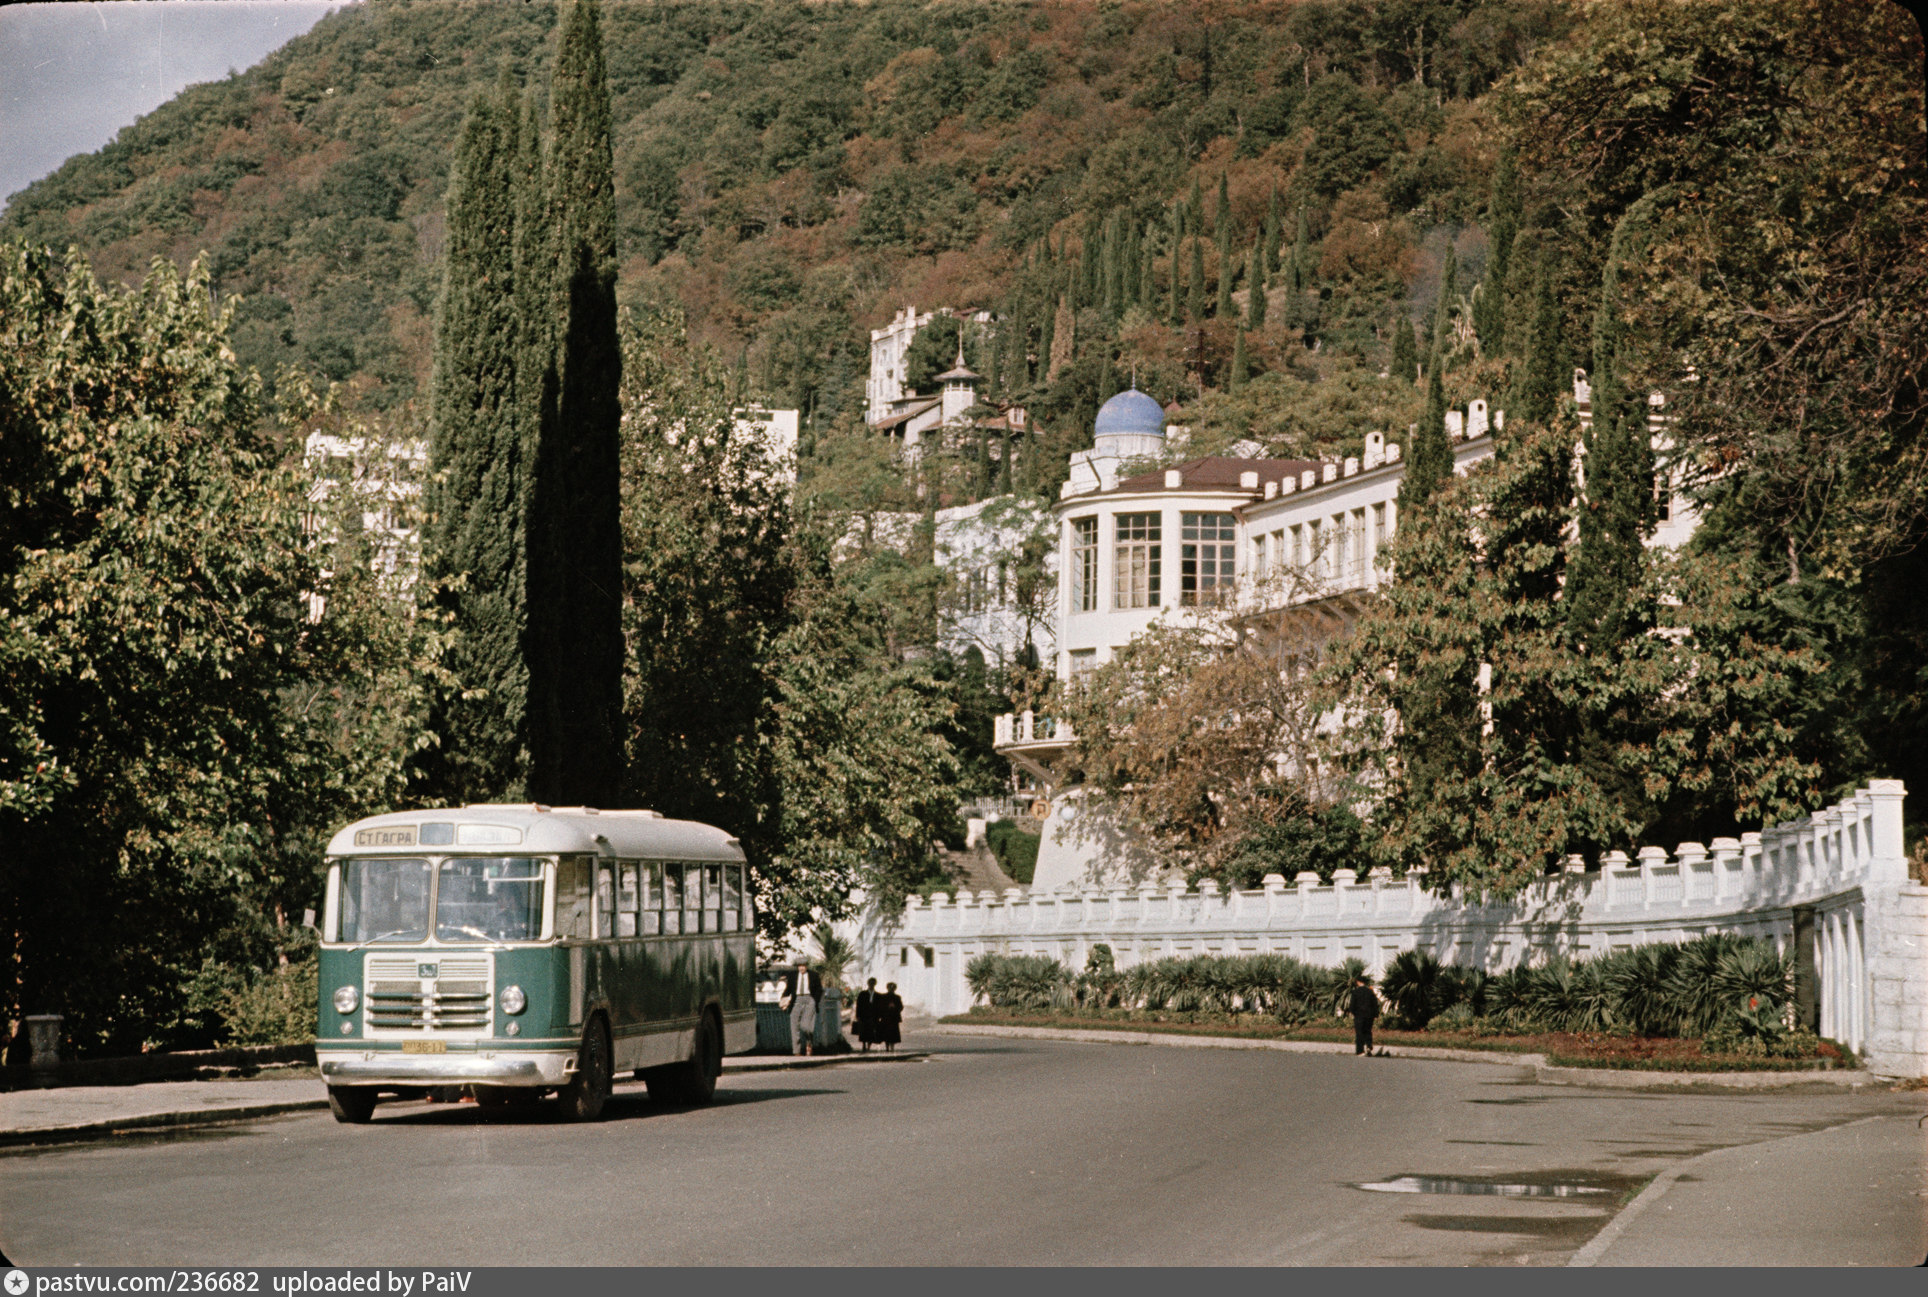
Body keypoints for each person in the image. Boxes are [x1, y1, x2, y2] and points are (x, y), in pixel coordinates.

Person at [781, 961, 822, 1056]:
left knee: (806, 1026)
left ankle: (809, 1042)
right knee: (794, 1025)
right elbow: (788, 989)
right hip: (797, 1000)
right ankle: (796, 1051)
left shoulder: (814, 975)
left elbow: (819, 989)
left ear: (807, 966)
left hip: (809, 1000)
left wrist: (815, 1000)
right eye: (800, 966)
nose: (802, 968)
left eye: (803, 966)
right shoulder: (792, 975)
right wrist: (783, 1001)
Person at [1349, 974, 1380, 1056]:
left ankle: (1360, 1051)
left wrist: (1353, 1012)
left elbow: (1352, 1005)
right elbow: (1375, 1004)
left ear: (1358, 982)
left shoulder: (1355, 992)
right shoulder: (1370, 992)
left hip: (1359, 1015)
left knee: (1359, 1033)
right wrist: (1375, 1014)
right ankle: (1369, 1046)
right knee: (1368, 1031)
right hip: (1369, 1016)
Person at [854, 977, 880, 1052]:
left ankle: (869, 1046)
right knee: (863, 1031)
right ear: (868, 984)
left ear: (875, 984)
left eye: (873, 983)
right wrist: (858, 1016)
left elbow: (878, 1007)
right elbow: (858, 1005)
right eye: (870, 983)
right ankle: (864, 1045)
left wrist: (878, 1016)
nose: (871, 985)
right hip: (864, 1015)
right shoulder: (862, 994)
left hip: (873, 1016)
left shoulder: (877, 995)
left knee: (871, 1031)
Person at [879, 981, 904, 1053]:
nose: (891, 989)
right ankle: (887, 1047)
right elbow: (880, 1006)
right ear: (887, 988)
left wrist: (895, 1007)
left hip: (894, 1018)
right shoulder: (883, 996)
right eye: (890, 988)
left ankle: (892, 1047)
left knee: (893, 1034)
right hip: (886, 1017)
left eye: (893, 988)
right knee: (886, 1033)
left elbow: (901, 1007)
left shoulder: (897, 997)